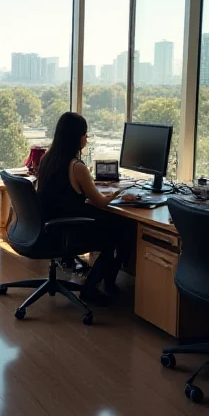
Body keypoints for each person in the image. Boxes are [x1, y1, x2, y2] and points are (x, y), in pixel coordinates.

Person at [36, 112, 136, 305]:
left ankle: (107, 283)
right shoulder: (76, 166)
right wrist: (121, 193)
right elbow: (101, 202)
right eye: (85, 134)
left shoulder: (47, 159)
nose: (87, 139)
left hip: (50, 227)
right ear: (77, 137)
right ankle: (92, 288)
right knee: (121, 231)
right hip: (69, 231)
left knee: (116, 225)